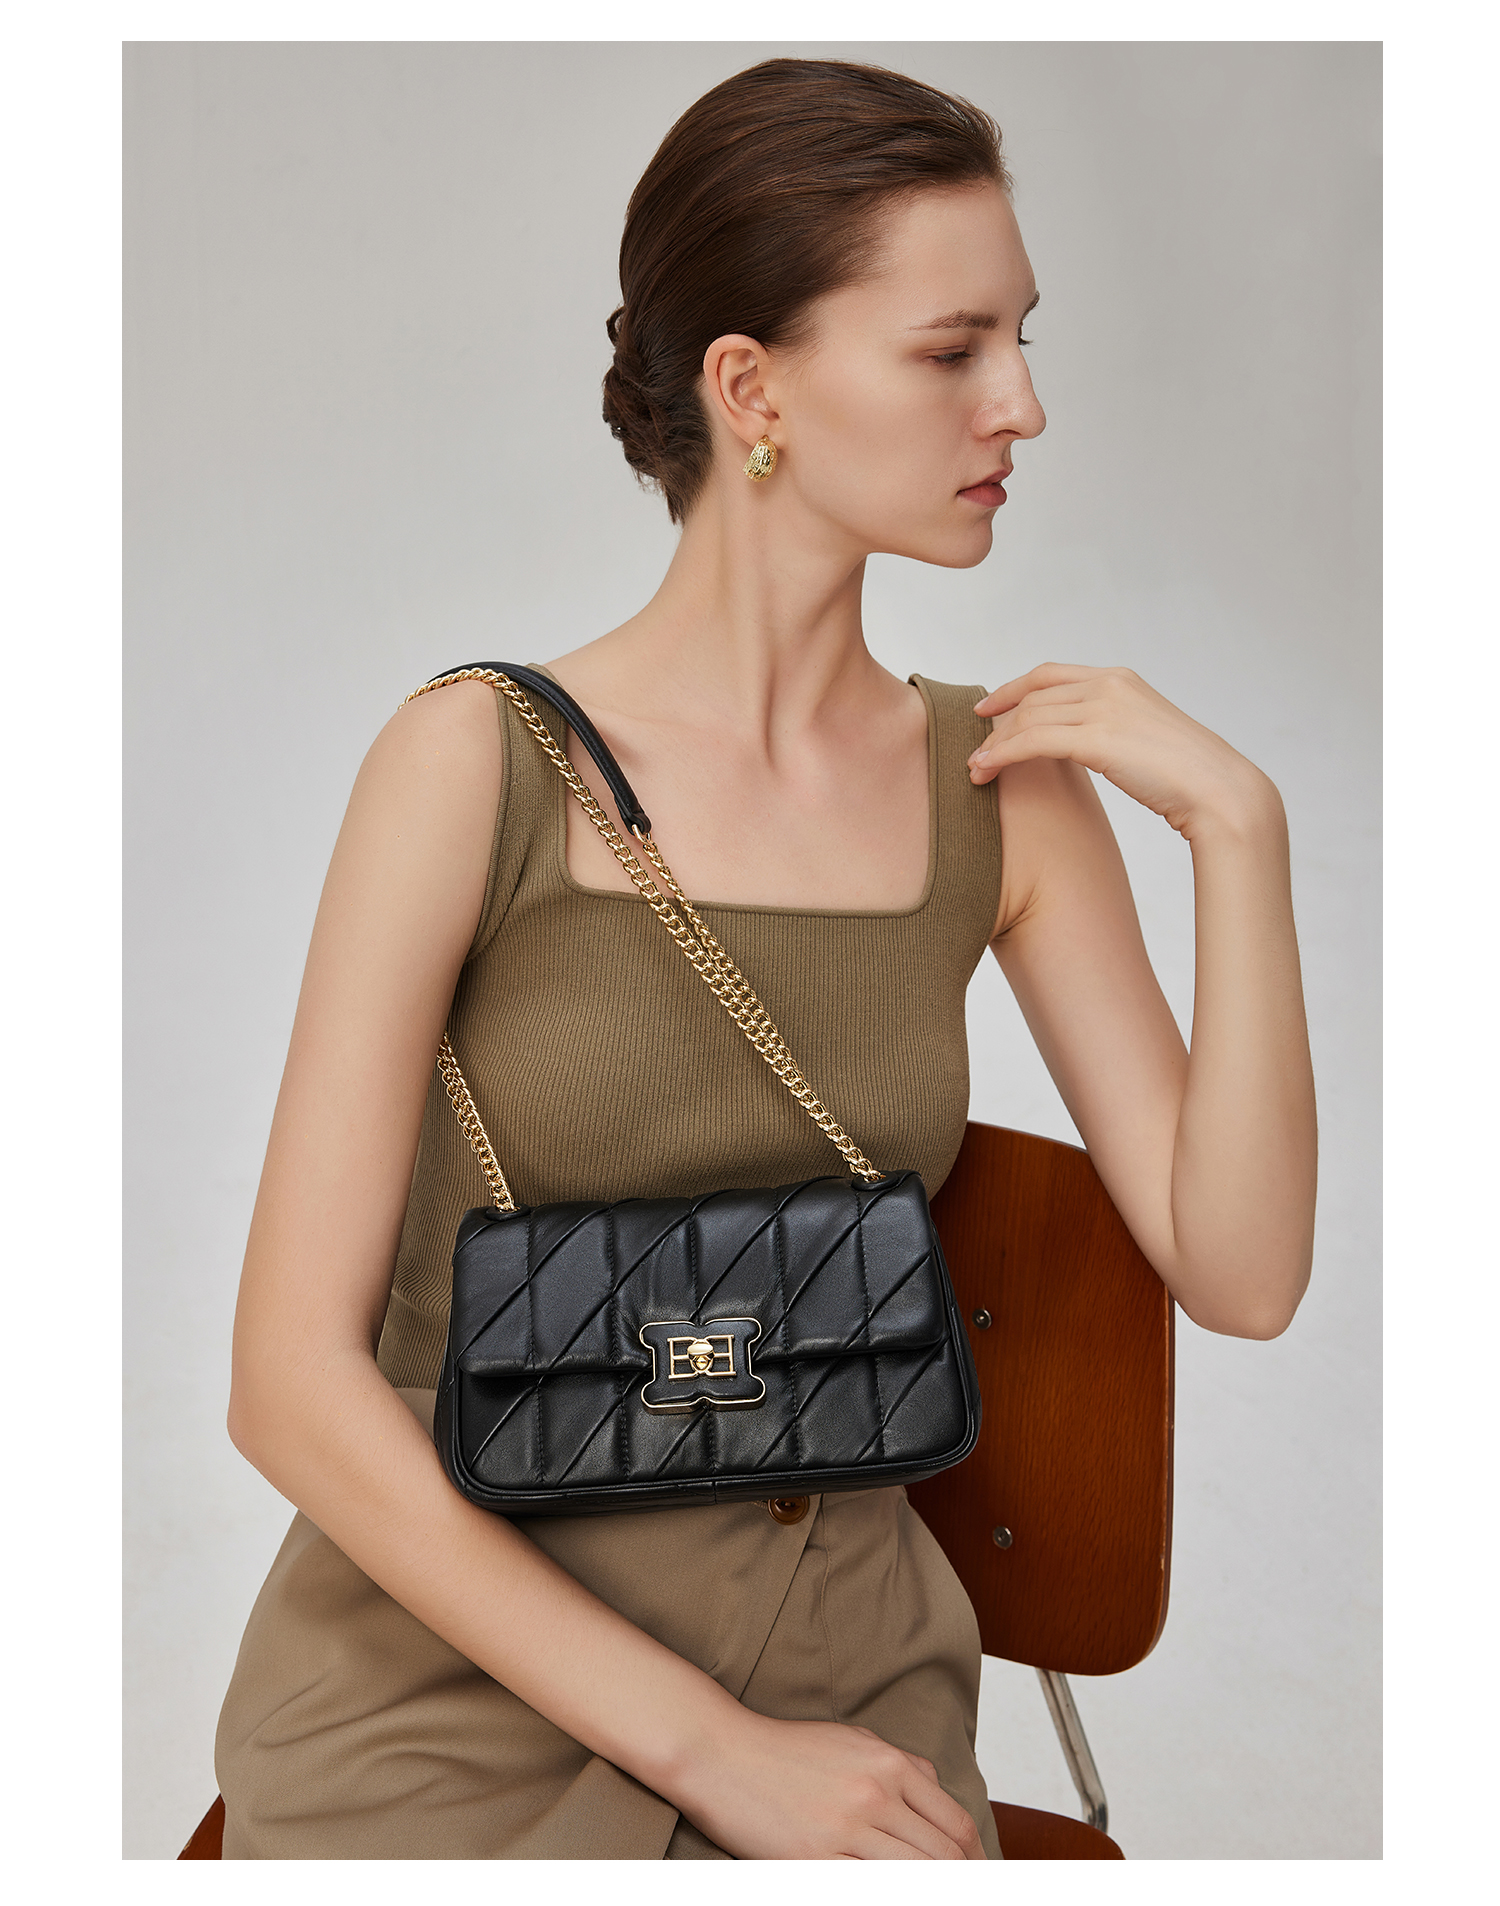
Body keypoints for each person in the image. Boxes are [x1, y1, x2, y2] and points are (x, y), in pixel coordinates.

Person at [214, 57, 1316, 1860]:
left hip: (845, 1674)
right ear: (752, 389)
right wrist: (714, 1752)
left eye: (1023, 338)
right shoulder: (471, 761)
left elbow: (1246, 1270)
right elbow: (287, 1379)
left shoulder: (1007, 793)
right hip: (451, 1677)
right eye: (953, 349)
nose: (1024, 404)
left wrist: (1242, 833)